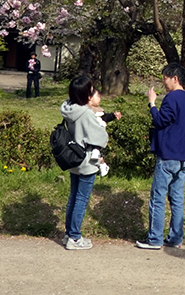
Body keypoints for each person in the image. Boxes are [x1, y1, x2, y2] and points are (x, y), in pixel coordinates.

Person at [135, 63, 185, 250]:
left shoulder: (172, 98)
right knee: (177, 198)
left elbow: (160, 120)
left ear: (175, 78)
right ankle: (175, 237)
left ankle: (155, 239)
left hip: (169, 154)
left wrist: (152, 103)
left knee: (158, 196)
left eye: (165, 78)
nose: (163, 82)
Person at [60, 75, 110, 250]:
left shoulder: (69, 108)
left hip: (73, 157)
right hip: (87, 160)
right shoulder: (86, 114)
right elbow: (100, 138)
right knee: (82, 199)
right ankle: (74, 237)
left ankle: (69, 234)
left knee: (73, 197)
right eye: (90, 90)